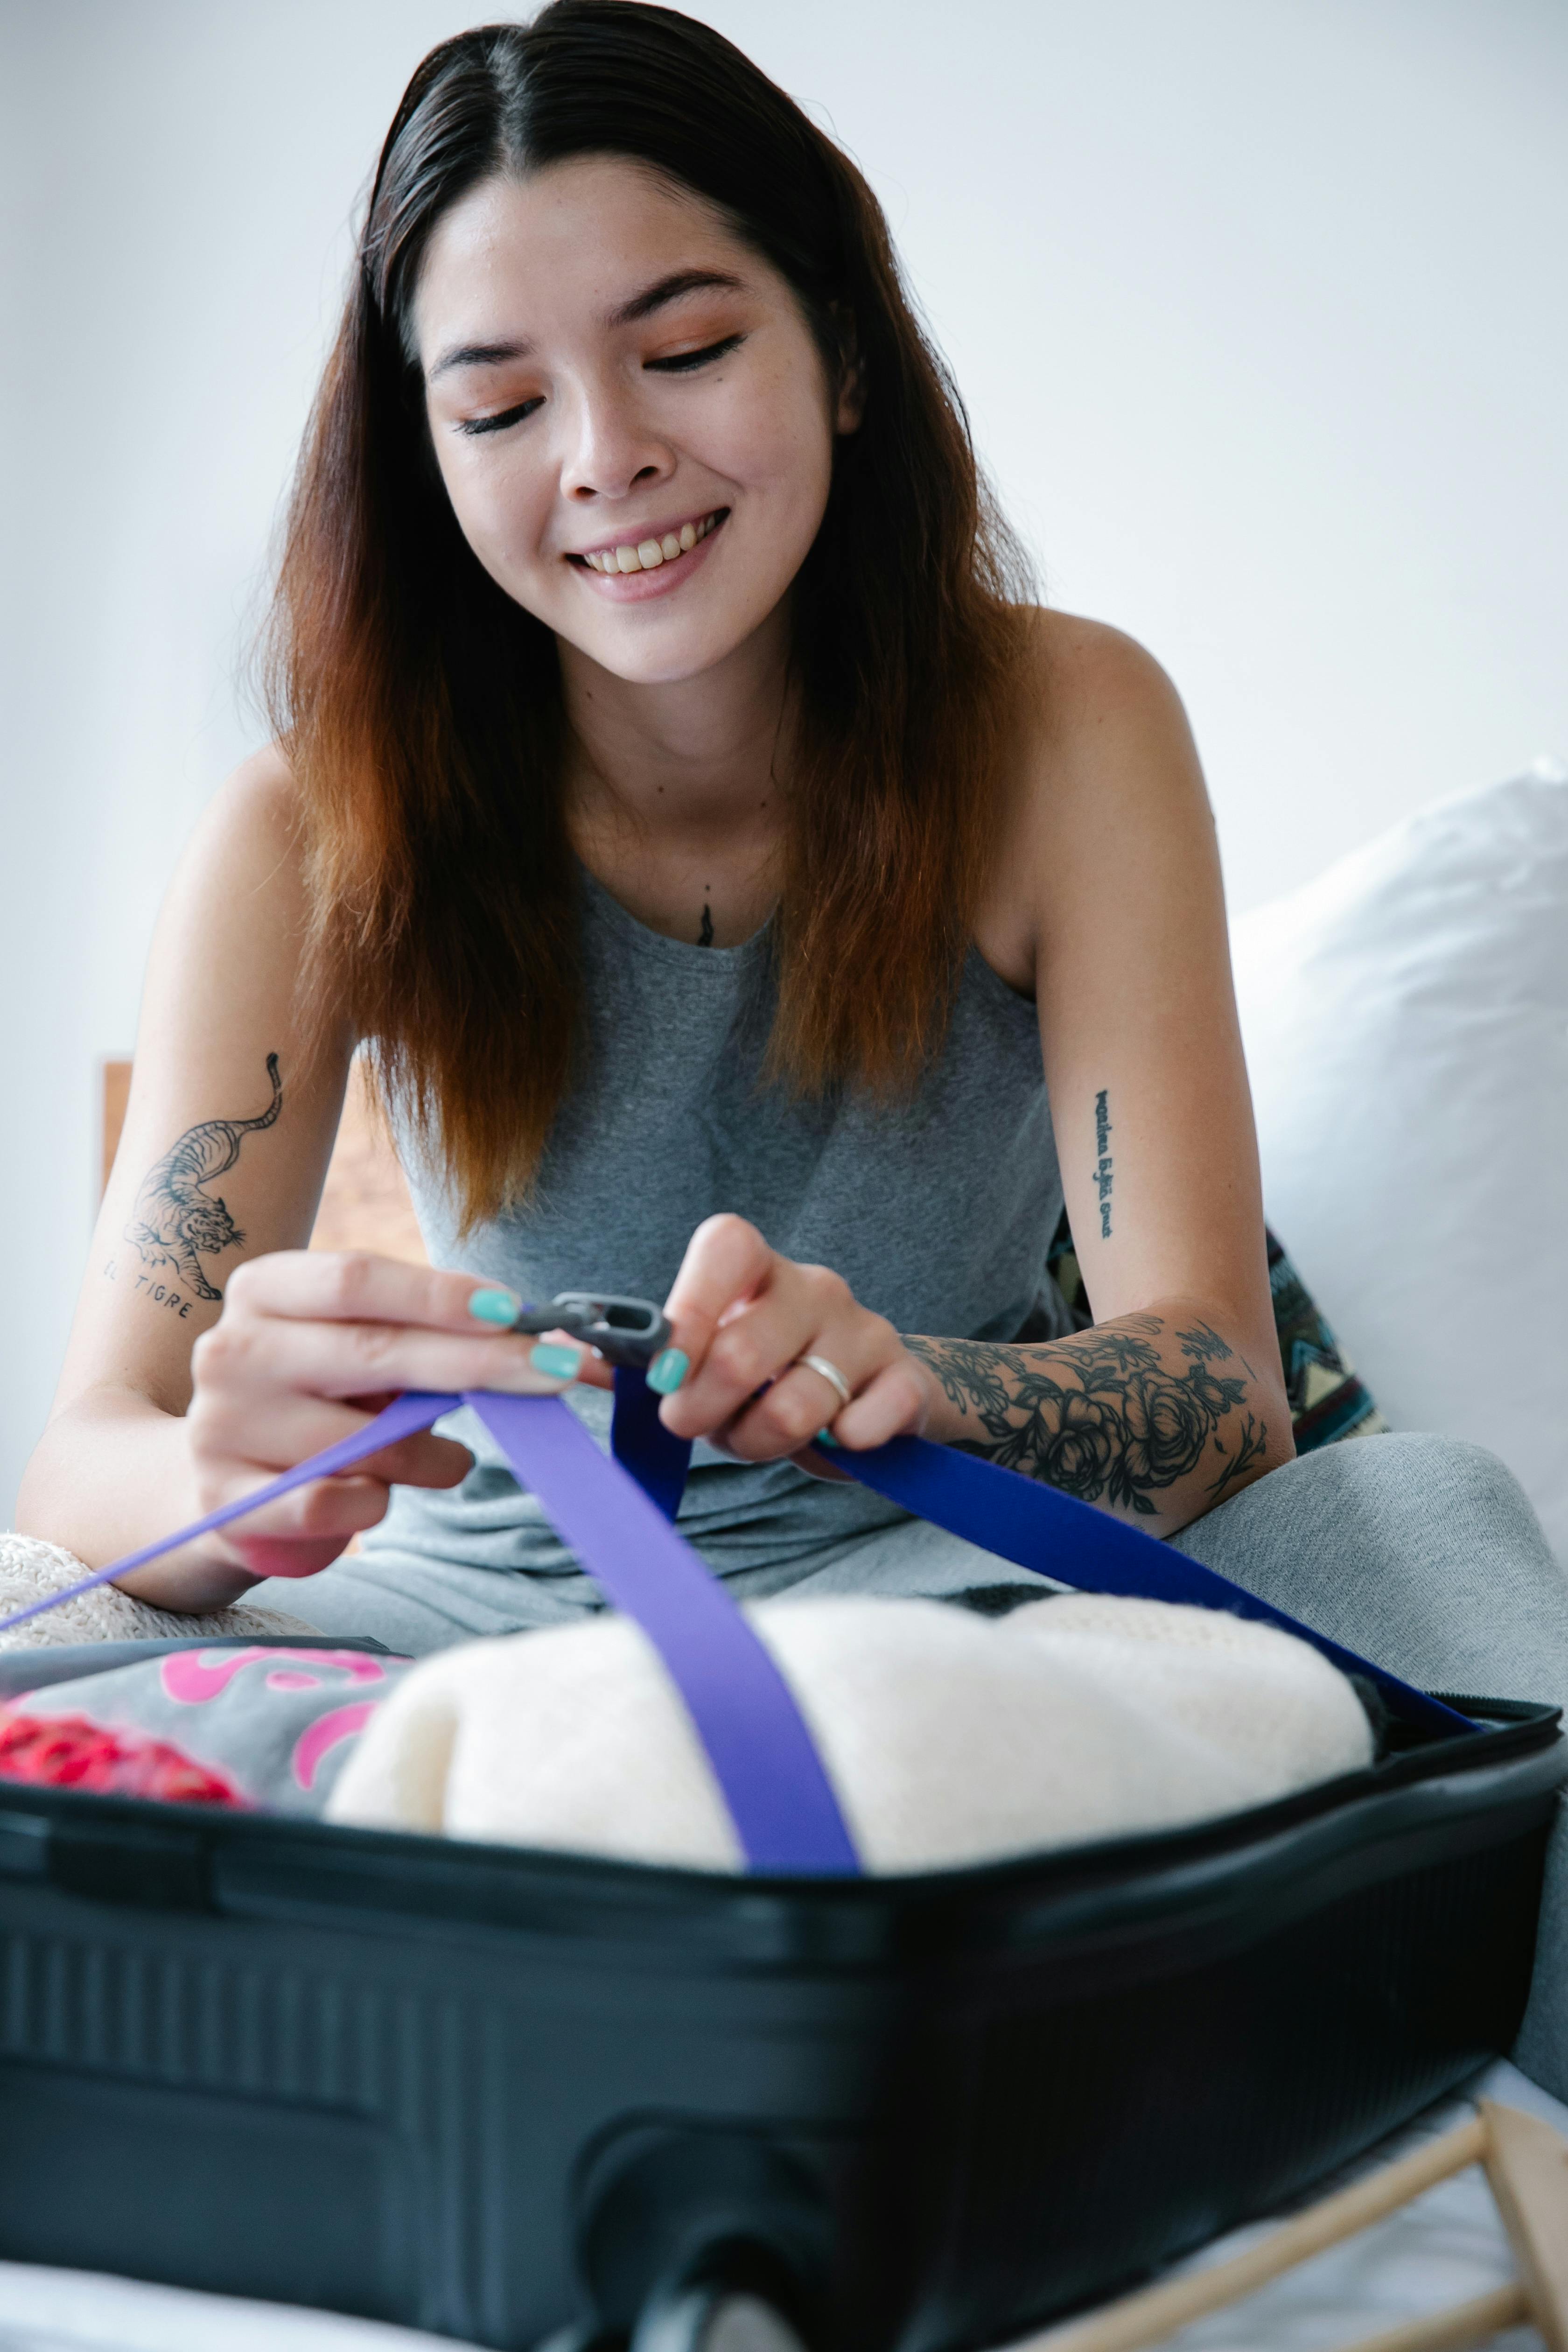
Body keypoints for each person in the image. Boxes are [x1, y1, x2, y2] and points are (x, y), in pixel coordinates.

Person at [17, 2, 1567, 2090]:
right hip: (476, 1601)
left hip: (967, 1562)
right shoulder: (308, 827)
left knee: (1427, 1527)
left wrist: (926, 1379)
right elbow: (88, 1454)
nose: (604, 457)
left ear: (840, 347)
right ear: (423, 453)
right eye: (496, 405)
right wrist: (234, 1483)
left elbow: (1212, 1379)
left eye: (682, 348)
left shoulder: (1064, 726)